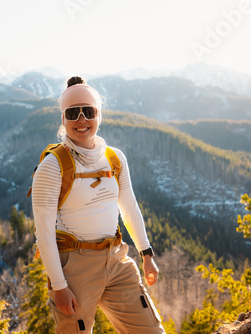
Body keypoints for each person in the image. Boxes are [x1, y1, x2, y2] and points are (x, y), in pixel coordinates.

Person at [31, 76, 165, 333]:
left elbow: (129, 208)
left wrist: (146, 254)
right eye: (73, 113)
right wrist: (59, 286)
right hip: (75, 268)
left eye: (89, 112)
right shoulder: (51, 166)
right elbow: (44, 232)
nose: (82, 119)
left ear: (99, 115)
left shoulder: (115, 158)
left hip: (116, 260)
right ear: (63, 120)